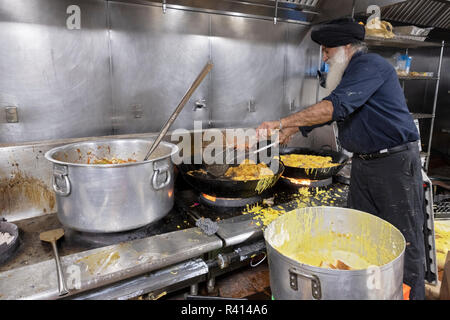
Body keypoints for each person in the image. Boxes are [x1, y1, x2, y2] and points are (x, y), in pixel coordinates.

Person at [257, 18, 426, 300]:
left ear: (347, 47)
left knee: (403, 241)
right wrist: (294, 127)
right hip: (364, 164)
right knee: (362, 232)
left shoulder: (370, 65)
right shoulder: (351, 73)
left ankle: (410, 295)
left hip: (393, 166)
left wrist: (280, 122)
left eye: (327, 49)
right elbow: (341, 110)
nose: (324, 56)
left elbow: (335, 107)